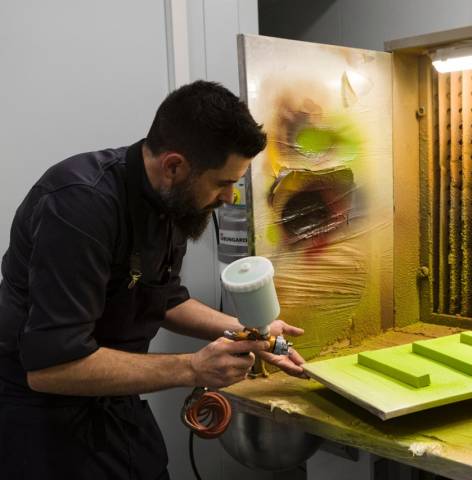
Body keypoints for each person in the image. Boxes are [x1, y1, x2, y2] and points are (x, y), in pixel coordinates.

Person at [0, 80, 306, 479]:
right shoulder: (78, 207)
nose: (230, 198)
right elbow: (52, 368)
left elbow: (165, 299)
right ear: (174, 166)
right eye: (222, 183)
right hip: (40, 418)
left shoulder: (170, 202)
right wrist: (194, 369)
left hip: (113, 400)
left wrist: (251, 334)